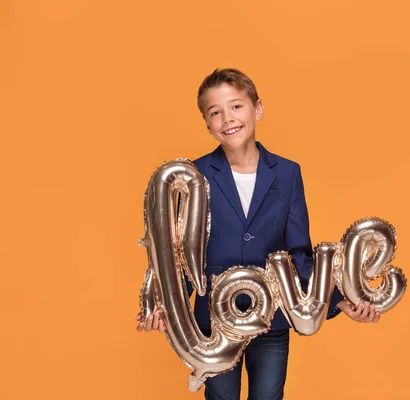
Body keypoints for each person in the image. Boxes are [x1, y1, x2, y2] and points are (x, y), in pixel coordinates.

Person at [136, 68, 380, 399]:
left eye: (236, 106)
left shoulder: (288, 172)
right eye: (215, 112)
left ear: (257, 109)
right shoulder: (194, 176)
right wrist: (163, 302)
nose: (227, 118)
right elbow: (179, 252)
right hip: (212, 323)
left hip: (273, 319)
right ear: (207, 124)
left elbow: (300, 254)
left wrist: (340, 301)